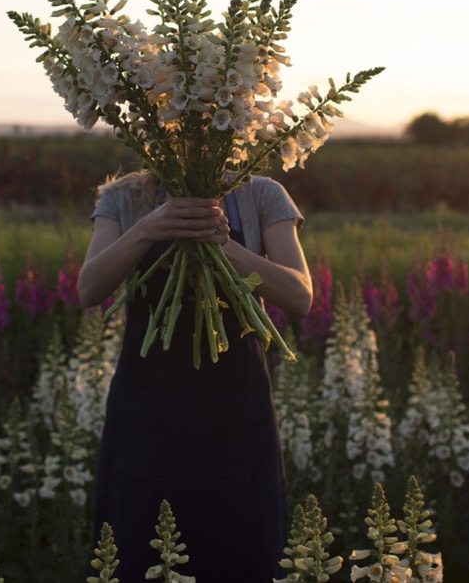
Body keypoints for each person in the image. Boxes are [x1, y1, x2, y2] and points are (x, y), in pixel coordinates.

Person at [78, 170, 312, 582]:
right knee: (138, 550)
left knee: (241, 550)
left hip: (235, 414)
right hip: (147, 413)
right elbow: (89, 290)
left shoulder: (261, 194)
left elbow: (299, 295)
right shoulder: (123, 197)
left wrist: (226, 247)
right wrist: (149, 229)